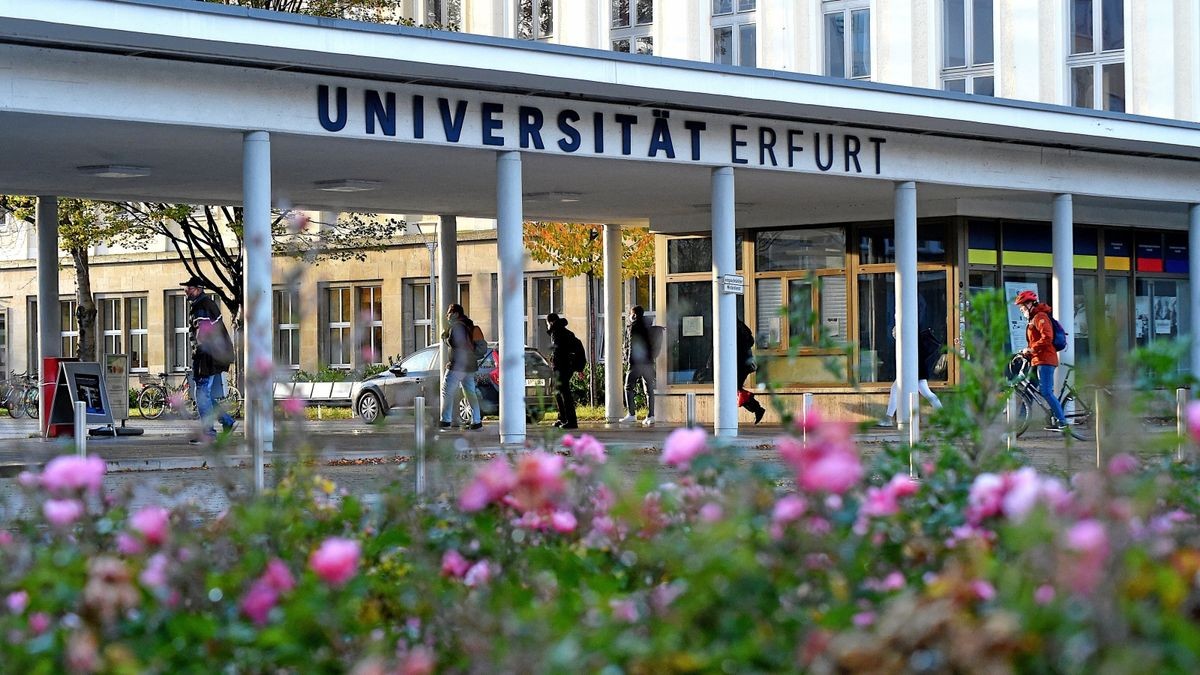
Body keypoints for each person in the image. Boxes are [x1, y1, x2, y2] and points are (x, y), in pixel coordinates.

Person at [181, 275, 235, 443]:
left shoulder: (202, 307)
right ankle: (227, 421)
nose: (186, 291)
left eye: (189, 289)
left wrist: (198, 353)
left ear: (198, 289)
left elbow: (203, 334)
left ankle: (208, 434)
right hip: (214, 355)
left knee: (202, 395)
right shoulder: (206, 304)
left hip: (206, 357)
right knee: (206, 394)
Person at [1014, 290, 1068, 431]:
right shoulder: (1033, 318)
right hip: (1036, 360)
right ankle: (1018, 423)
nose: (1021, 309)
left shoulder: (1040, 317)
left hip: (1045, 360)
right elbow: (1035, 340)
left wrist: (1031, 349)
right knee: (1028, 390)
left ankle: (1062, 422)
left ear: (1029, 304)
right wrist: (1026, 351)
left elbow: (1047, 337)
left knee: (1046, 391)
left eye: (1021, 306)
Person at [878, 326, 944, 427]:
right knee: (926, 393)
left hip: (914, 372)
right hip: (915, 371)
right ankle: (942, 416)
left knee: (899, 390)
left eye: (895, 333)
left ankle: (888, 418)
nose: (894, 335)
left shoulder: (910, 342)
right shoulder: (913, 340)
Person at [440, 303, 483, 430]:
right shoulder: (469, 325)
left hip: (457, 365)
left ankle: (445, 421)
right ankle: (476, 421)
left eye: (449, 313)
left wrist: (445, 337)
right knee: (470, 393)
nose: (447, 315)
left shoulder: (457, 326)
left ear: (456, 314)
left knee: (446, 391)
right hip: (469, 365)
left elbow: (454, 342)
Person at [619, 305, 655, 426]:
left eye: (630, 314)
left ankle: (631, 414)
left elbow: (631, 345)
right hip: (648, 362)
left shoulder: (632, 327)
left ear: (634, 315)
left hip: (635, 362)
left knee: (628, 387)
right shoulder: (648, 327)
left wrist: (629, 362)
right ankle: (651, 416)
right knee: (649, 389)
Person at [545, 312, 580, 430]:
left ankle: (570, 421)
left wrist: (555, 363)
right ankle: (563, 418)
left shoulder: (557, 333)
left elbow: (559, 352)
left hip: (562, 367)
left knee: (564, 393)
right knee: (558, 392)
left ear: (550, 322)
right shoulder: (564, 332)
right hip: (565, 366)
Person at [736, 320, 767, 424]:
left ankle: (756, 407)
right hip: (741, 364)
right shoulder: (741, 327)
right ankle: (756, 408)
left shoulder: (734, 327)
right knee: (735, 389)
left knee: (734, 389)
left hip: (739, 364)